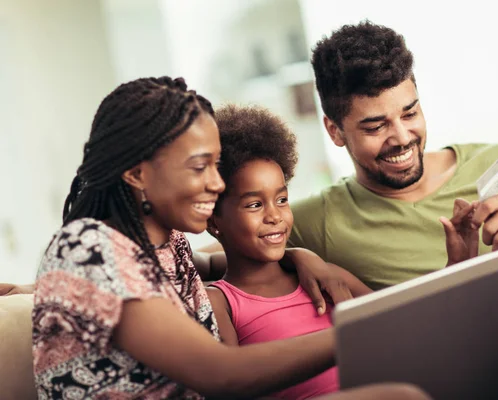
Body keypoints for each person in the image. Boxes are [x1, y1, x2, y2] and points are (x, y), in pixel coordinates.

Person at [24, 76, 432, 400]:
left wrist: (301, 256)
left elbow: (223, 264)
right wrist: (364, 329)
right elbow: (221, 374)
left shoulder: (163, 247)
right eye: (200, 167)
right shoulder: (89, 246)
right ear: (136, 173)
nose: (216, 184)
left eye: (217, 167)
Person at [285, 21, 498, 400]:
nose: (401, 137)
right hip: (486, 382)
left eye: (409, 113)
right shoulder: (315, 220)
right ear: (335, 132)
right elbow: (220, 251)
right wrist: (296, 254)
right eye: (375, 127)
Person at [205, 104, 376, 399]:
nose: (275, 216)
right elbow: (234, 387)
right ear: (213, 221)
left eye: (282, 199)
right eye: (255, 204)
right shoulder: (220, 303)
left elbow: (399, 323)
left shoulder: (326, 276)